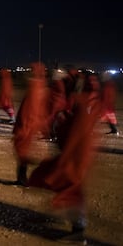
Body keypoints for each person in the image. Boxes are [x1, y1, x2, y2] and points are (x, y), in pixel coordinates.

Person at [28, 72, 101, 244]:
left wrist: (64, 147)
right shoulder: (87, 103)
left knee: (70, 188)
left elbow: (76, 132)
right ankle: (77, 228)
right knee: (72, 189)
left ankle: (78, 232)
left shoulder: (83, 106)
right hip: (77, 155)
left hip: (75, 156)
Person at [12, 62, 49, 186]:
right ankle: (23, 179)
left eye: (31, 70)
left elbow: (28, 111)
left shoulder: (35, 88)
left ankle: (22, 180)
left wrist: (22, 129)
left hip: (27, 127)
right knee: (23, 154)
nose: (28, 73)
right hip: (32, 126)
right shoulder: (41, 87)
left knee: (22, 154)